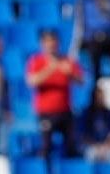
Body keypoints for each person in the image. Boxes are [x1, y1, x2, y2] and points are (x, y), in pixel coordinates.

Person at [26, 30, 83, 166]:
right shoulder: (37, 61)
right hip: (46, 112)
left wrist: (70, 74)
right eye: (48, 42)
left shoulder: (67, 61)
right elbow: (32, 81)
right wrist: (50, 69)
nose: (51, 45)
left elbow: (81, 81)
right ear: (42, 44)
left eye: (53, 41)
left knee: (71, 146)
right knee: (46, 146)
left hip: (65, 110)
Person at [79, 86, 110, 162]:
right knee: (90, 154)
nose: (100, 99)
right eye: (97, 97)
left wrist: (106, 146)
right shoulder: (86, 114)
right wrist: (97, 146)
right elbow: (83, 136)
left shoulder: (109, 113)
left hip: (107, 147)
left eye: (101, 97)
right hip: (92, 146)